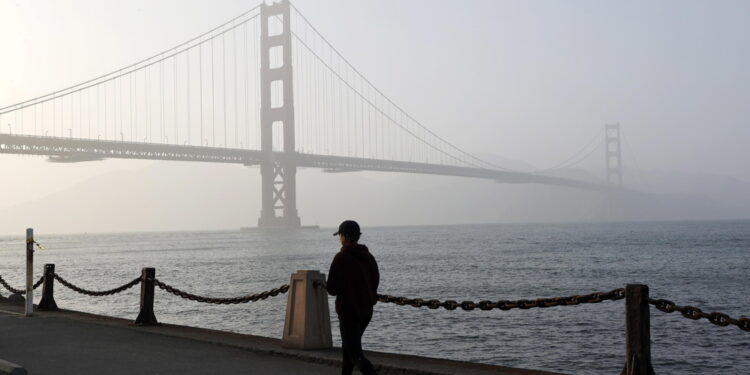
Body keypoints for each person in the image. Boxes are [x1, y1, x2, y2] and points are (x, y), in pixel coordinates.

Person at [326, 220, 379, 375]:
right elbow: (375, 279)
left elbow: (332, 289)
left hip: (349, 312)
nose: (339, 238)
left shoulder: (340, 258)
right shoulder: (368, 256)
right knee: (348, 348)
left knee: (355, 354)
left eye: (340, 235)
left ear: (346, 237)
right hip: (366, 311)